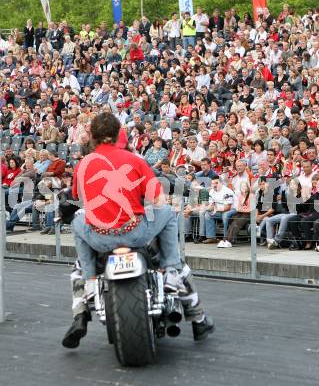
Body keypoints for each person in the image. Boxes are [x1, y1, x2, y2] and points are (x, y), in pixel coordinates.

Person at [62, 112, 214, 348]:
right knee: (168, 214)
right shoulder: (135, 160)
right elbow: (157, 199)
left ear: (93, 136)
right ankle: (174, 277)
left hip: (100, 239)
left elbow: (76, 197)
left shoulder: (83, 164)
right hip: (134, 233)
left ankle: (88, 288)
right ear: (117, 133)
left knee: (78, 221)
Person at [202, 176, 237, 247]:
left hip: (232, 209)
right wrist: (207, 208)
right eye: (212, 183)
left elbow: (228, 207)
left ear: (221, 183)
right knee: (208, 214)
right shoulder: (212, 191)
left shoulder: (227, 191)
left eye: (216, 183)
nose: (214, 185)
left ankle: (225, 238)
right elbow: (211, 205)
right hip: (219, 209)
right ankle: (211, 237)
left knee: (225, 215)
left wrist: (215, 209)